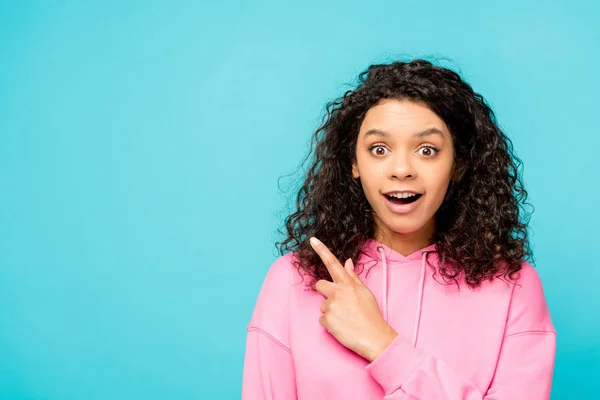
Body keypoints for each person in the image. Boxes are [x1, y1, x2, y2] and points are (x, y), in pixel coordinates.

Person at [241, 59, 556, 399]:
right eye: (379, 149)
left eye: (427, 150)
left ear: (458, 165)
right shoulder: (292, 281)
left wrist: (383, 345)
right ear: (353, 163)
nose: (402, 169)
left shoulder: (514, 287)